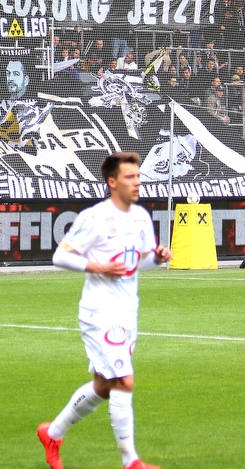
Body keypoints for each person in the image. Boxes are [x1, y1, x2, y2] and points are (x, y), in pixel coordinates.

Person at [36, 152, 171, 469]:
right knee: (124, 382)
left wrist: (160, 257)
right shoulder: (94, 218)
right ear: (112, 182)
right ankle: (131, 462)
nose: (137, 182)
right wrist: (96, 265)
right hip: (100, 313)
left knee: (103, 387)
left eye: (138, 176)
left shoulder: (141, 217)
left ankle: (52, 433)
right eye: (129, 177)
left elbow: (139, 263)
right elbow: (61, 256)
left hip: (127, 312)